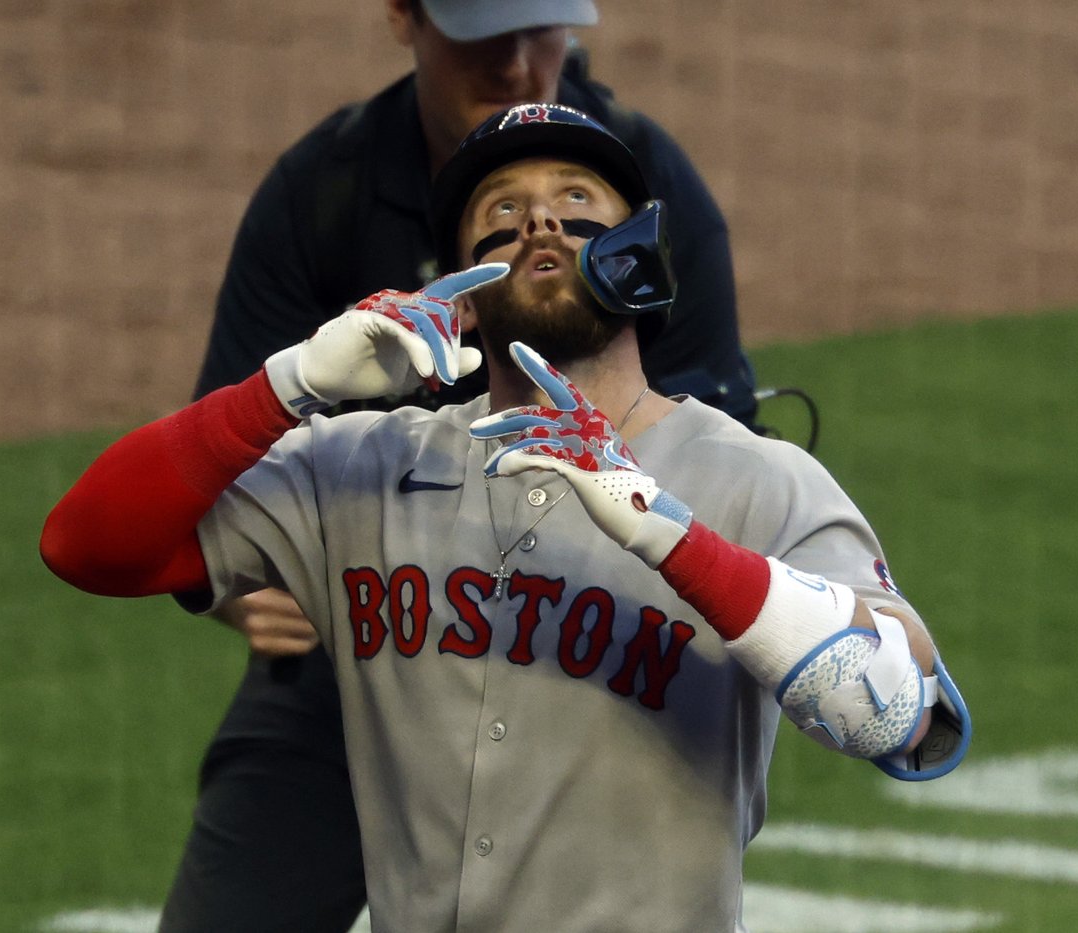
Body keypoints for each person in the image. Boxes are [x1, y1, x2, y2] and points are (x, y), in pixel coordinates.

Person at [42, 102, 970, 933]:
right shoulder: (361, 466)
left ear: (639, 255)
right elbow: (85, 546)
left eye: (577, 201)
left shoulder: (761, 482)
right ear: (459, 285)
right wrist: (292, 386)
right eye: (501, 210)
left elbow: (901, 713)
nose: (538, 221)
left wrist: (671, 538)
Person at [169, 1, 763, 929]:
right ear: (406, 17)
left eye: (543, 30)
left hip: (592, 638)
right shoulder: (325, 191)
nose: (521, 64)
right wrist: (256, 580)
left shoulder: (649, 192)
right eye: (487, 33)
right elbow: (220, 453)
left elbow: (717, 456)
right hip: (368, 635)